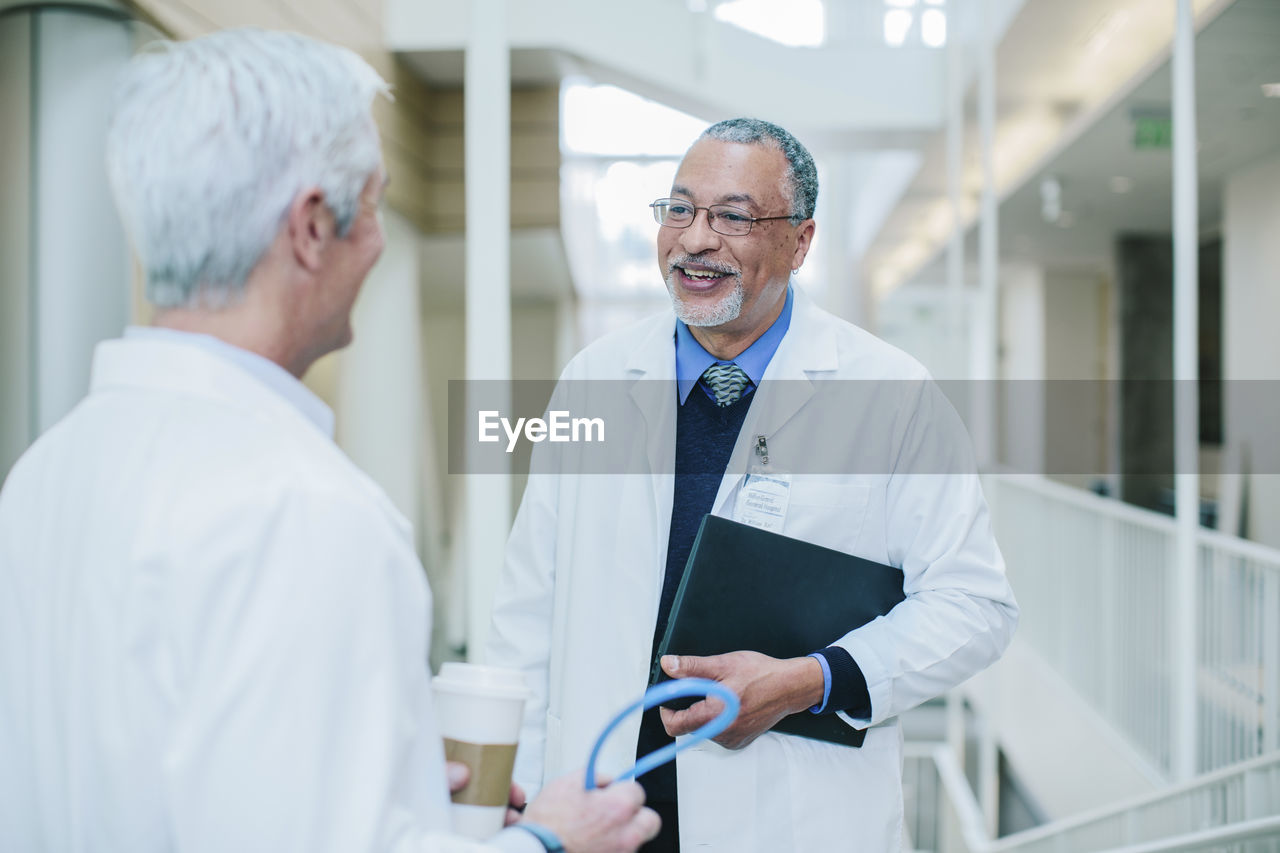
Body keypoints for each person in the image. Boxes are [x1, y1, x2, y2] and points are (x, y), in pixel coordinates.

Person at [0, 29, 658, 853]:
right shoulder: (304, 510)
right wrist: (552, 841)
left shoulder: (45, 472)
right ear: (313, 227)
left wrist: (400, 779)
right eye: (376, 204)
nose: (378, 242)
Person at [487, 119, 1019, 851]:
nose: (696, 239)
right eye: (679, 209)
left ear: (800, 242)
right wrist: (504, 802)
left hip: (792, 818)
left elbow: (974, 604)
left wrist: (811, 678)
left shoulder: (893, 395)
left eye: (733, 216)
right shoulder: (594, 380)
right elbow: (526, 613)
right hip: (599, 812)